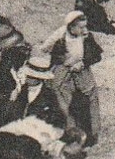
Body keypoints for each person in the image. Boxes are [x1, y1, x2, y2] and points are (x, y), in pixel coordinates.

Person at [44, 12, 104, 145]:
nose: (85, 30)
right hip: (64, 73)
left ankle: (91, 136)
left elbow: (97, 55)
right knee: (62, 101)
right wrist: (60, 59)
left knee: (90, 98)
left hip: (81, 71)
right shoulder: (60, 36)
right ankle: (68, 135)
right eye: (81, 27)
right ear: (71, 27)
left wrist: (83, 63)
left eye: (85, 26)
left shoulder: (87, 37)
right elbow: (45, 48)